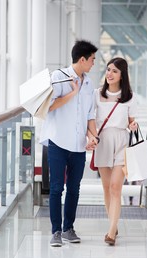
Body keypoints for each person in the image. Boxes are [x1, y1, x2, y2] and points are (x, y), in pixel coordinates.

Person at [40, 39, 99, 247]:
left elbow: (90, 115)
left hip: (78, 145)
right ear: (82, 59)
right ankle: (56, 231)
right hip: (58, 142)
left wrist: (93, 136)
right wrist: (72, 93)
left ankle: (68, 228)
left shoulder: (90, 83)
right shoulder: (58, 77)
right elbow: (49, 106)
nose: (93, 63)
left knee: (74, 187)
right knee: (56, 188)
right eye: (92, 59)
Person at [92, 57, 138, 246]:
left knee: (115, 187)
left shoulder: (130, 97)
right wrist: (91, 137)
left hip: (121, 142)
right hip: (103, 142)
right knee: (105, 187)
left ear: (122, 75)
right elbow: (90, 120)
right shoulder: (96, 94)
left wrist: (133, 124)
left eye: (115, 71)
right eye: (108, 69)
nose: (109, 74)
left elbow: (131, 121)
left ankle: (111, 232)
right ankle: (113, 222)